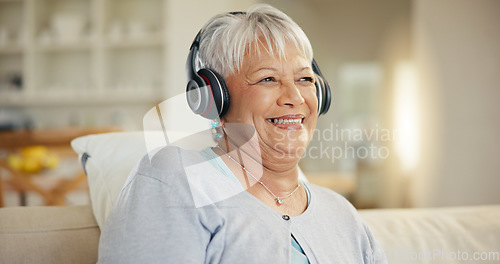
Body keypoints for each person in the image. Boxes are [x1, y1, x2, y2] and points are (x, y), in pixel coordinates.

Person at [98, 4, 387, 263]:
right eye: (268, 78)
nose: (295, 97)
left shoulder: (343, 214)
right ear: (213, 98)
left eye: (304, 79)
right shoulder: (174, 180)